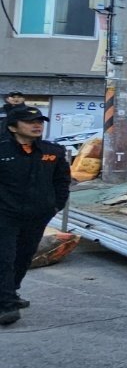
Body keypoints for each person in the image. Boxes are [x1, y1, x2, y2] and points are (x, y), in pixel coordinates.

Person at [0, 105, 71, 325]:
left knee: (23, 257)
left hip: (37, 216)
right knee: (4, 259)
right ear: (13, 127)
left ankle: (11, 291)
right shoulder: (2, 150)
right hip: (5, 215)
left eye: (40, 121)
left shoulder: (53, 151)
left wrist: (54, 206)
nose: (37, 125)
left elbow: (61, 182)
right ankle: (6, 305)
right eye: (30, 122)